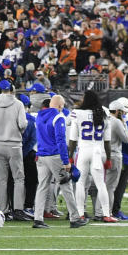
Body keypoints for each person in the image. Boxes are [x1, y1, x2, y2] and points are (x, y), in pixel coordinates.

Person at [33, 94, 86, 229]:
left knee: (42, 187)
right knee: (66, 186)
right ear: (60, 106)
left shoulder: (39, 115)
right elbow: (61, 140)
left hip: (41, 155)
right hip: (54, 156)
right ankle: (74, 218)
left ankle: (38, 218)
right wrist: (66, 160)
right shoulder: (58, 116)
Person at [68, 89, 116, 224]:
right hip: (98, 152)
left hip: (83, 151)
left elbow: (72, 139)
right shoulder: (104, 113)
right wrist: (108, 158)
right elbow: (107, 141)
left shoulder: (77, 113)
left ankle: (80, 214)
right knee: (101, 184)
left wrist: (70, 157)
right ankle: (106, 214)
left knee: (80, 183)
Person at [0, 79, 30, 221]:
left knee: (2, 179)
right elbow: (23, 124)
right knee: (18, 179)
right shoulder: (18, 104)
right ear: (12, 89)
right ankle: (18, 209)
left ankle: (3, 210)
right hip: (15, 144)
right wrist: (17, 131)